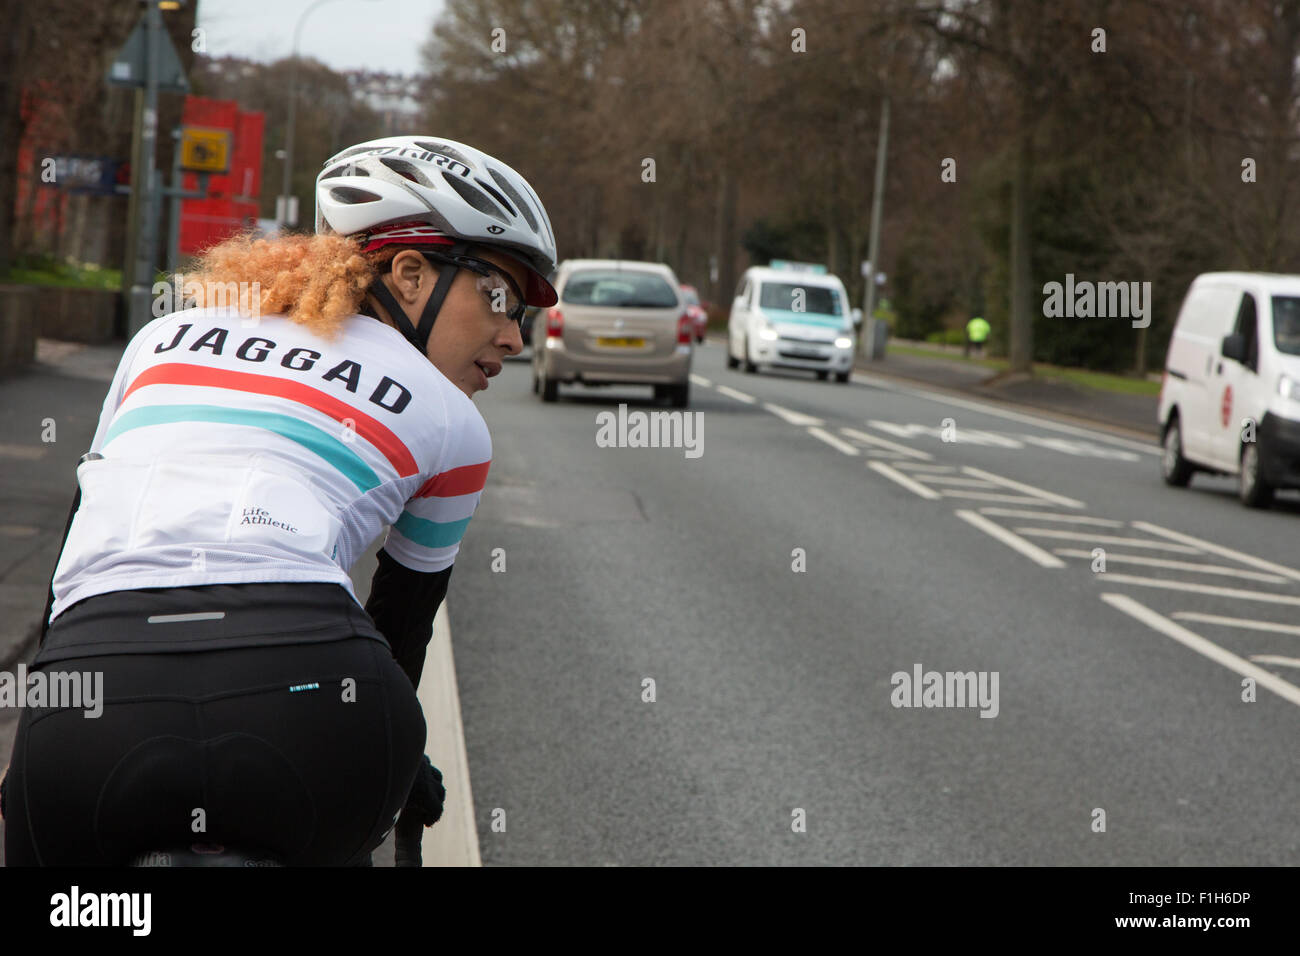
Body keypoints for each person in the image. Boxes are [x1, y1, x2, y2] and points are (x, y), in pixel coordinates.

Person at [1, 135, 557, 866]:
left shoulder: (159, 339)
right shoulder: (455, 423)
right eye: (502, 297)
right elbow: (401, 631)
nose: (515, 335)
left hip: (95, 712)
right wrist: (401, 776)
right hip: (314, 711)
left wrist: (32, 751)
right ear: (411, 274)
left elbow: (75, 556)